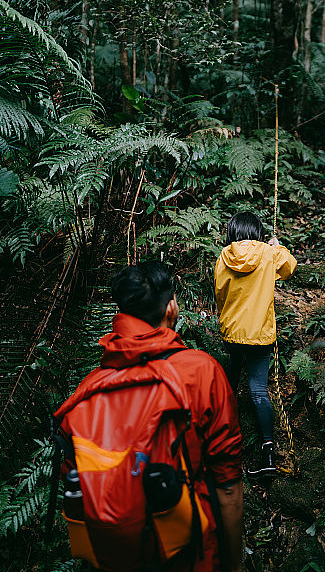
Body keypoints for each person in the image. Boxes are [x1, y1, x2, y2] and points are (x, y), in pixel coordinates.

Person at [56, 261, 243, 572]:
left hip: (116, 554)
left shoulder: (90, 389)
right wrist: (235, 565)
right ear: (170, 309)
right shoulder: (201, 371)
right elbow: (227, 485)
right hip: (189, 550)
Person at [214, 212, 297, 478]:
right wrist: (278, 247)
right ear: (257, 231)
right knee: (259, 391)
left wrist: (226, 320)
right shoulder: (268, 253)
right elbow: (290, 268)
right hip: (260, 334)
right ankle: (268, 457)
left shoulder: (224, 257)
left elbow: (219, 294)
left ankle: (221, 448)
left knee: (230, 385)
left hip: (233, 333)